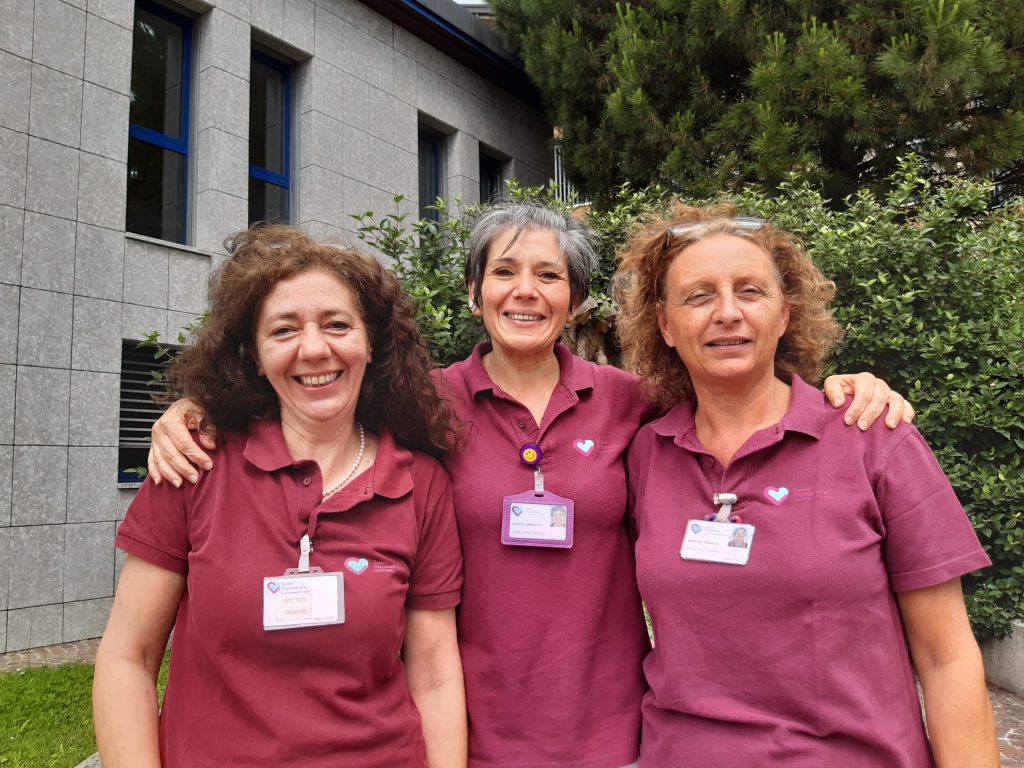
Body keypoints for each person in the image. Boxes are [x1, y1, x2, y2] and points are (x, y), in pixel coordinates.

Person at [143, 203, 914, 768]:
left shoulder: (632, 402)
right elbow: (311, 397)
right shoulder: (421, 404)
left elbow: (737, 399)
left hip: (612, 730)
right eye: (504, 272)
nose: (525, 291)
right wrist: (194, 412)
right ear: (474, 291)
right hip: (472, 730)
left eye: (549, 275)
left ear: (575, 299)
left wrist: (846, 385)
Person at [618, 207, 998, 767]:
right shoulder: (646, 454)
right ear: (666, 326)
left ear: (784, 315)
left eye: (751, 291)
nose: (728, 312)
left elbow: (947, 658)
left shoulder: (872, 438)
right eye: (698, 296)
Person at [93, 226, 467, 768]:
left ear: (370, 343)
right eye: (284, 330)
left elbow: (433, 675)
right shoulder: (195, 461)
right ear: (254, 354)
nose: (313, 349)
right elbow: (129, 656)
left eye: (337, 325)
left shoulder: (421, 483)